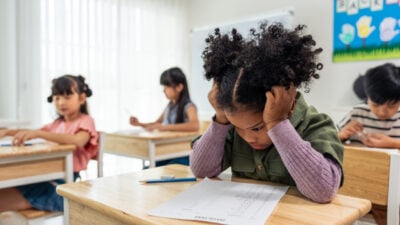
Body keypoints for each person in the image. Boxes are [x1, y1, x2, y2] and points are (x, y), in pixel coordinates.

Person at [190, 23, 344, 203]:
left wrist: (277, 124)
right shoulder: (233, 127)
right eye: (238, 127)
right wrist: (221, 119)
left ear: (289, 104)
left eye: (256, 128)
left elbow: (323, 191)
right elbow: (201, 171)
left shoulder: (316, 125)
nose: (247, 137)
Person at [0, 75, 98, 212]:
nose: (61, 102)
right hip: (45, 177)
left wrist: (39, 134)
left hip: (62, 188)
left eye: (67, 97)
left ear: (82, 98)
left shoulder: (85, 121)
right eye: (57, 98)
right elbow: (33, 132)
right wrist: (7, 132)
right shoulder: (57, 124)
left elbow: (78, 140)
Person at [129, 67, 199, 166]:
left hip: (181, 154)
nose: (164, 90)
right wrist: (139, 123)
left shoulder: (189, 106)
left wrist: (164, 127)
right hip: (168, 152)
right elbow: (157, 123)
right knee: (147, 168)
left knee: (156, 168)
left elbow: (194, 125)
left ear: (179, 87)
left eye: (166, 86)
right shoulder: (169, 106)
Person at [338, 63, 400, 147]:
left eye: (391, 106)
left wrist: (393, 143)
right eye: (375, 105)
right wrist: (342, 134)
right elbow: (329, 139)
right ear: (368, 97)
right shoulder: (357, 113)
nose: (382, 112)